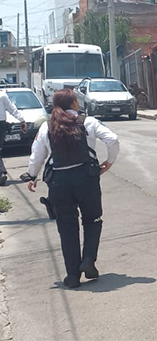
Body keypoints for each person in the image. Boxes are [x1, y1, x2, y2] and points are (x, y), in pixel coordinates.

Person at [25, 89, 119, 289]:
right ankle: (88, 260)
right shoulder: (88, 122)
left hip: (59, 183)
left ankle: (73, 276)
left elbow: (36, 156)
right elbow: (112, 139)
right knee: (93, 220)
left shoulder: (47, 127)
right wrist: (109, 161)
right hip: (86, 180)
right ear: (75, 103)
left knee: (67, 228)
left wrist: (32, 176)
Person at [0, 90, 27, 186]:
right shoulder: (2, 95)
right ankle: (1, 173)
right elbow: (12, 109)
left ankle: (1, 172)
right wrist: (22, 120)